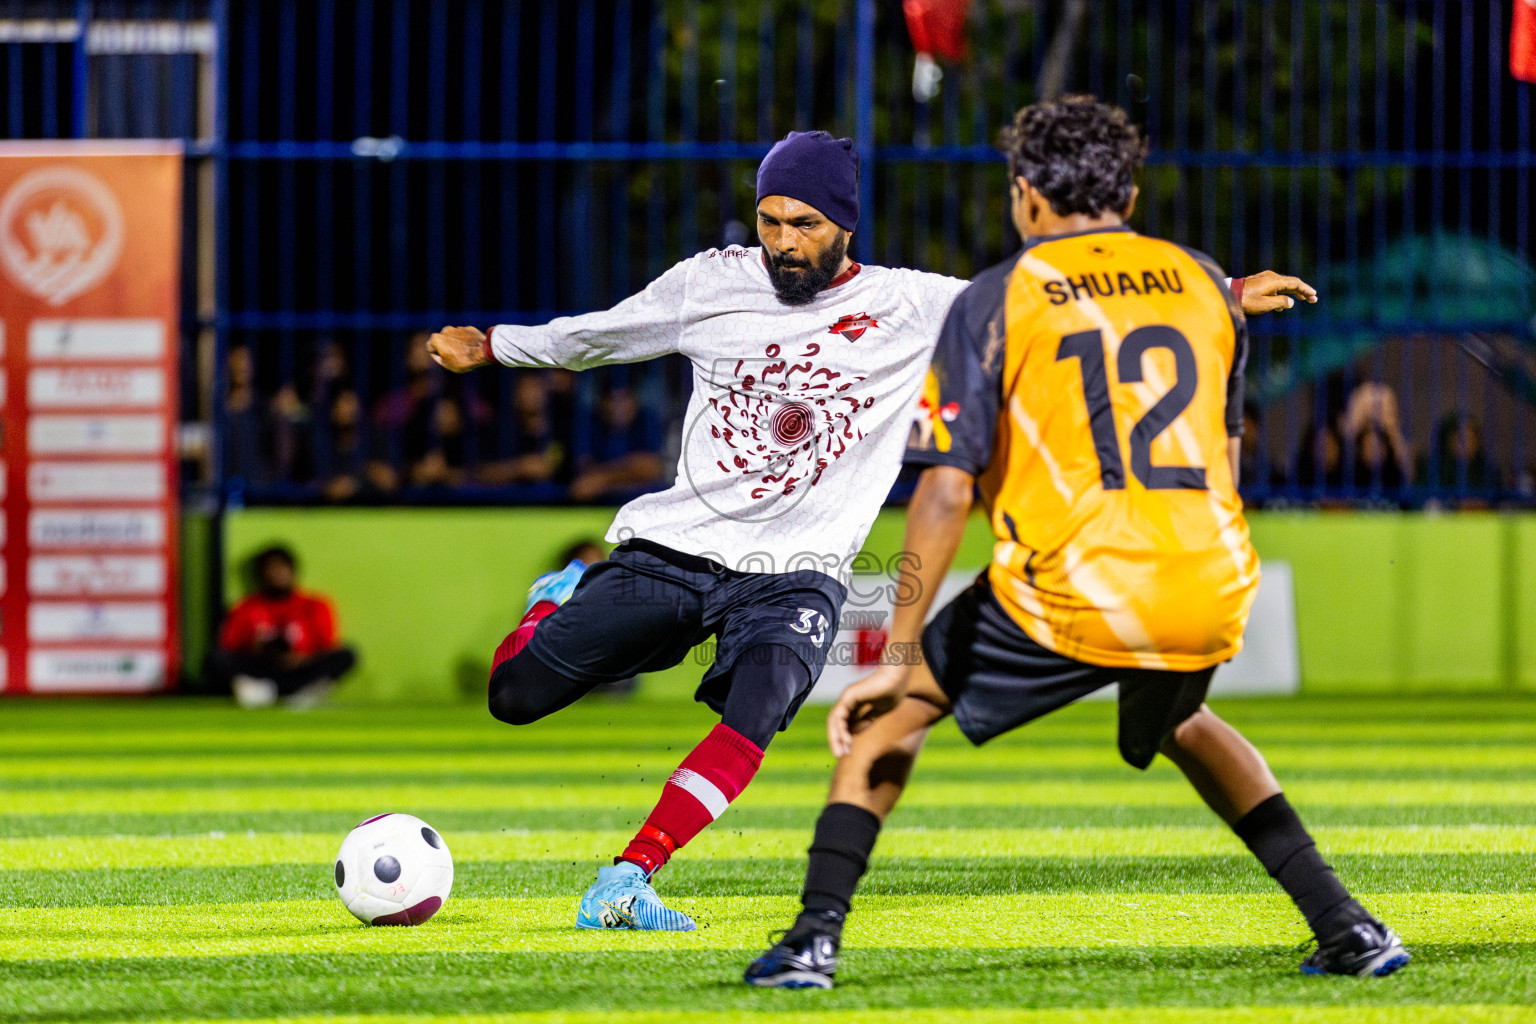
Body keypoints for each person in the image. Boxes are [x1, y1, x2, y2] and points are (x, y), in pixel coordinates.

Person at [428, 129, 1311, 934]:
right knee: (517, 698)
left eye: (803, 224)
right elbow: (599, 338)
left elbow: (1054, 310)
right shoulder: (711, 281)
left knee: (760, 708)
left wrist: (1223, 294)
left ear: (844, 224)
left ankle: (629, 879)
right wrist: (497, 346)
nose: (782, 242)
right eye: (769, 220)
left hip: (800, 572)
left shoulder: (915, 304)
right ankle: (562, 601)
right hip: (680, 546)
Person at [743, 97, 1404, 989]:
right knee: (1186, 725)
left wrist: (899, 652)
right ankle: (1351, 927)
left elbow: (944, 489)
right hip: (1209, 583)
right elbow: (1225, 461)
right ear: (1128, 190)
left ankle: (812, 941)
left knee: (884, 722)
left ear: (1023, 196)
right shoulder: (1208, 283)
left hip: (1069, 585)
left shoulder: (996, 299)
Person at [208, 545, 358, 709]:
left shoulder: (315, 605)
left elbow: (328, 645)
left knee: (346, 655)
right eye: (270, 569)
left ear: (293, 571)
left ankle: (295, 691)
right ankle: (274, 690)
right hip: (262, 667)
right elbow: (228, 648)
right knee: (216, 659)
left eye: (281, 568)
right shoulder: (245, 608)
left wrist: (299, 658)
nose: (277, 574)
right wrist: (257, 649)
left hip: (302, 667)